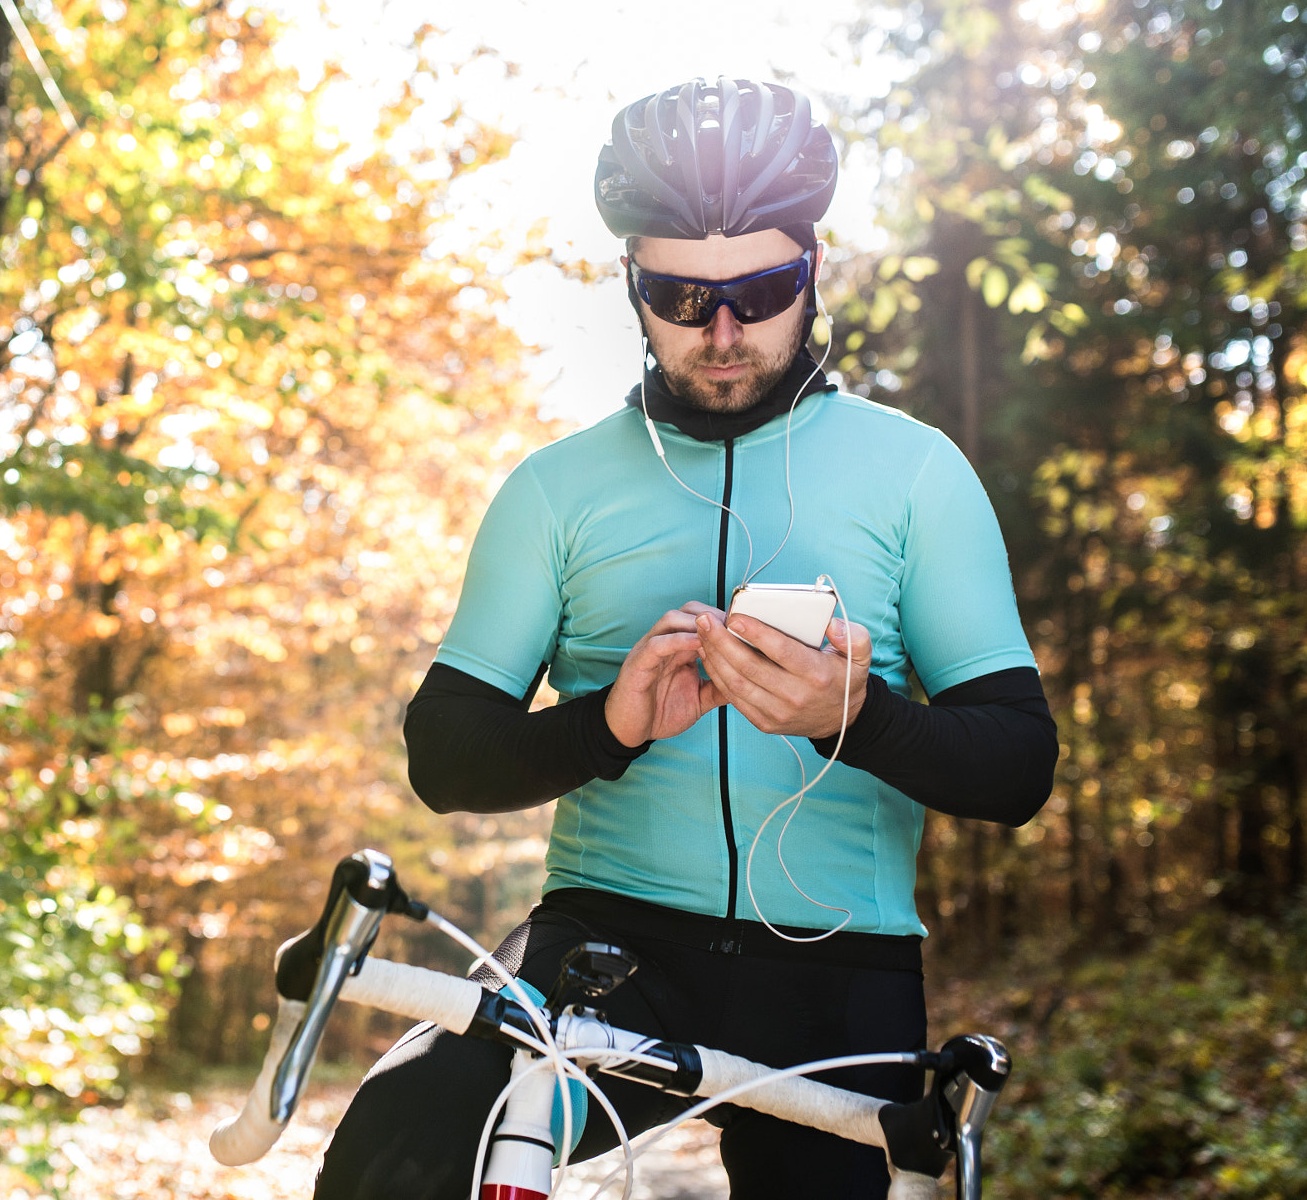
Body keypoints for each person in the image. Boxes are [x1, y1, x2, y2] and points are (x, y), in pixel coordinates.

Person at [312, 77, 1058, 1199]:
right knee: (396, 1158)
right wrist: (604, 726)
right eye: (677, 293)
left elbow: (1017, 764)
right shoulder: (554, 489)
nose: (720, 332)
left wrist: (852, 718)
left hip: (837, 971)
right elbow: (443, 751)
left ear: (811, 273)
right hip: (606, 946)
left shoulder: (914, 473)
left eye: (759, 291)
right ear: (631, 286)